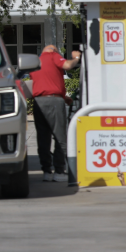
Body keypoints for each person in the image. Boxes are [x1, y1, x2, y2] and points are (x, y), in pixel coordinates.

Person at [30, 45, 81, 182]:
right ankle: (59, 171)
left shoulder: (36, 62)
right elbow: (68, 65)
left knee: (43, 139)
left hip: (38, 102)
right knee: (60, 138)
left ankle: (46, 171)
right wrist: (76, 57)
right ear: (54, 50)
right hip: (54, 102)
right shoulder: (53, 55)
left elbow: (44, 83)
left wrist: (64, 97)